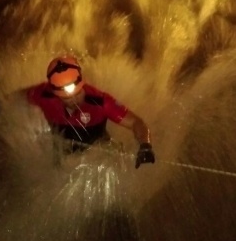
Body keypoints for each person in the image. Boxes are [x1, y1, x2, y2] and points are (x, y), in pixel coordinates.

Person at [24, 54, 155, 169]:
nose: (73, 100)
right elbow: (18, 97)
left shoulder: (100, 102)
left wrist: (145, 145)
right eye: (66, 98)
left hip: (100, 160)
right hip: (62, 161)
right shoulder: (44, 95)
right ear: (54, 93)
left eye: (77, 94)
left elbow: (136, 122)